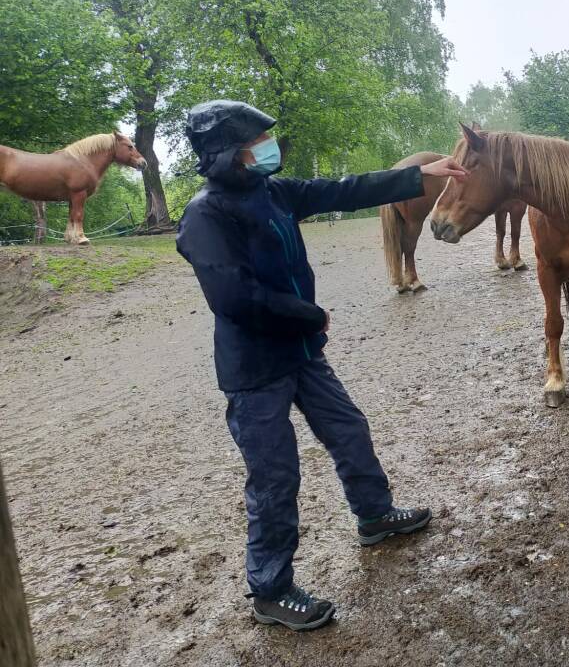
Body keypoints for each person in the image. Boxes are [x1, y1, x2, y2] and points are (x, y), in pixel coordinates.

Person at [176, 100, 468, 631]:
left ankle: (375, 515)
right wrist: (310, 315)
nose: (269, 149)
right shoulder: (205, 215)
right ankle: (271, 589)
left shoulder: (273, 192)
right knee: (275, 477)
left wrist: (416, 175)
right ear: (226, 153)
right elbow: (235, 297)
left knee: (348, 429)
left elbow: (342, 189)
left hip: (303, 353)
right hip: (256, 367)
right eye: (256, 143)